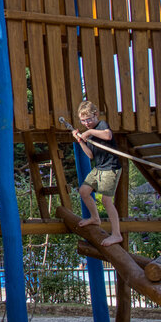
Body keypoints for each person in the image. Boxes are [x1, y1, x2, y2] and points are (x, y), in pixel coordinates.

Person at [72, 100, 123, 247]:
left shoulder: (101, 126)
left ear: (95, 116)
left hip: (111, 168)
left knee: (106, 201)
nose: (87, 123)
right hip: (99, 167)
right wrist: (81, 140)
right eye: (83, 121)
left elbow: (107, 136)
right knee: (84, 191)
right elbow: (90, 155)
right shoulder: (89, 134)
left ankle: (116, 234)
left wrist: (87, 132)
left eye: (89, 119)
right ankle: (95, 218)